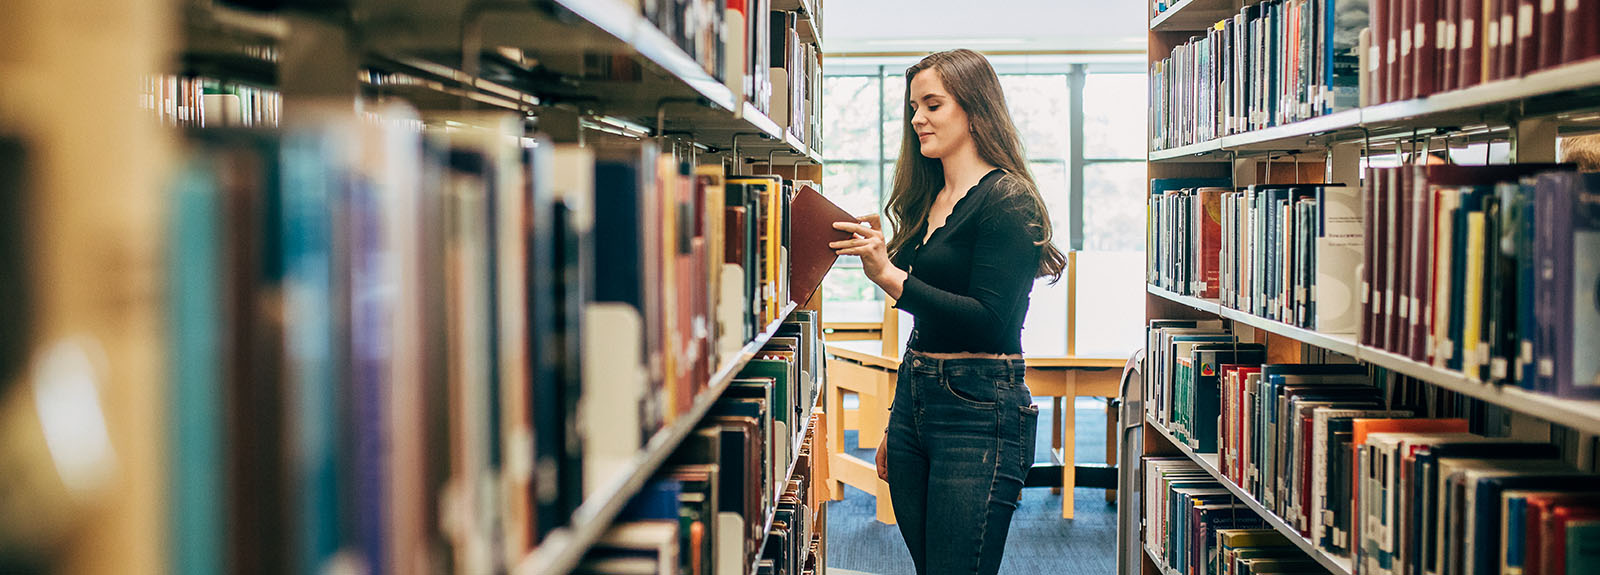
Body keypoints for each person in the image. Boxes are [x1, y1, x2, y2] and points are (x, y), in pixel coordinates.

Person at [829, 48, 1067, 575]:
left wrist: (889, 275)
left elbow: (988, 319)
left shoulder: (1008, 199)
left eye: (932, 104)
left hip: (979, 409)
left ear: (974, 109)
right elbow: (927, 323)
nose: (917, 119)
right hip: (918, 396)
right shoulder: (930, 197)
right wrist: (899, 418)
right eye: (913, 106)